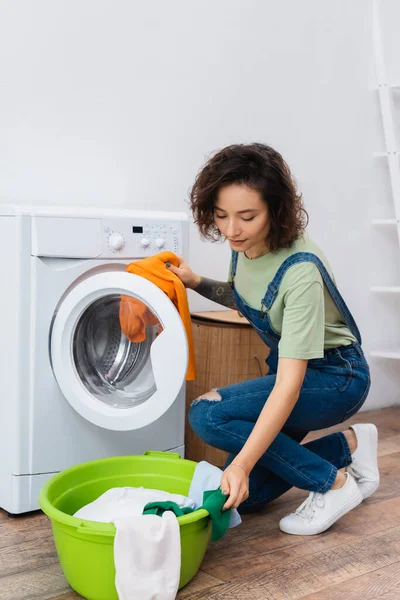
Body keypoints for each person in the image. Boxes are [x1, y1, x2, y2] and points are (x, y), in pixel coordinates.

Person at [167, 143, 379, 535]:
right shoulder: (245, 247)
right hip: (293, 372)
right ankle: (350, 446)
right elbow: (250, 299)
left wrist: (242, 463)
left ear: (275, 210)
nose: (231, 230)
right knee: (252, 496)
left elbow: (288, 386)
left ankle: (333, 484)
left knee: (207, 414)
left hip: (335, 379)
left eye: (247, 217)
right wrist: (196, 282)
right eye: (221, 215)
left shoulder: (300, 272)